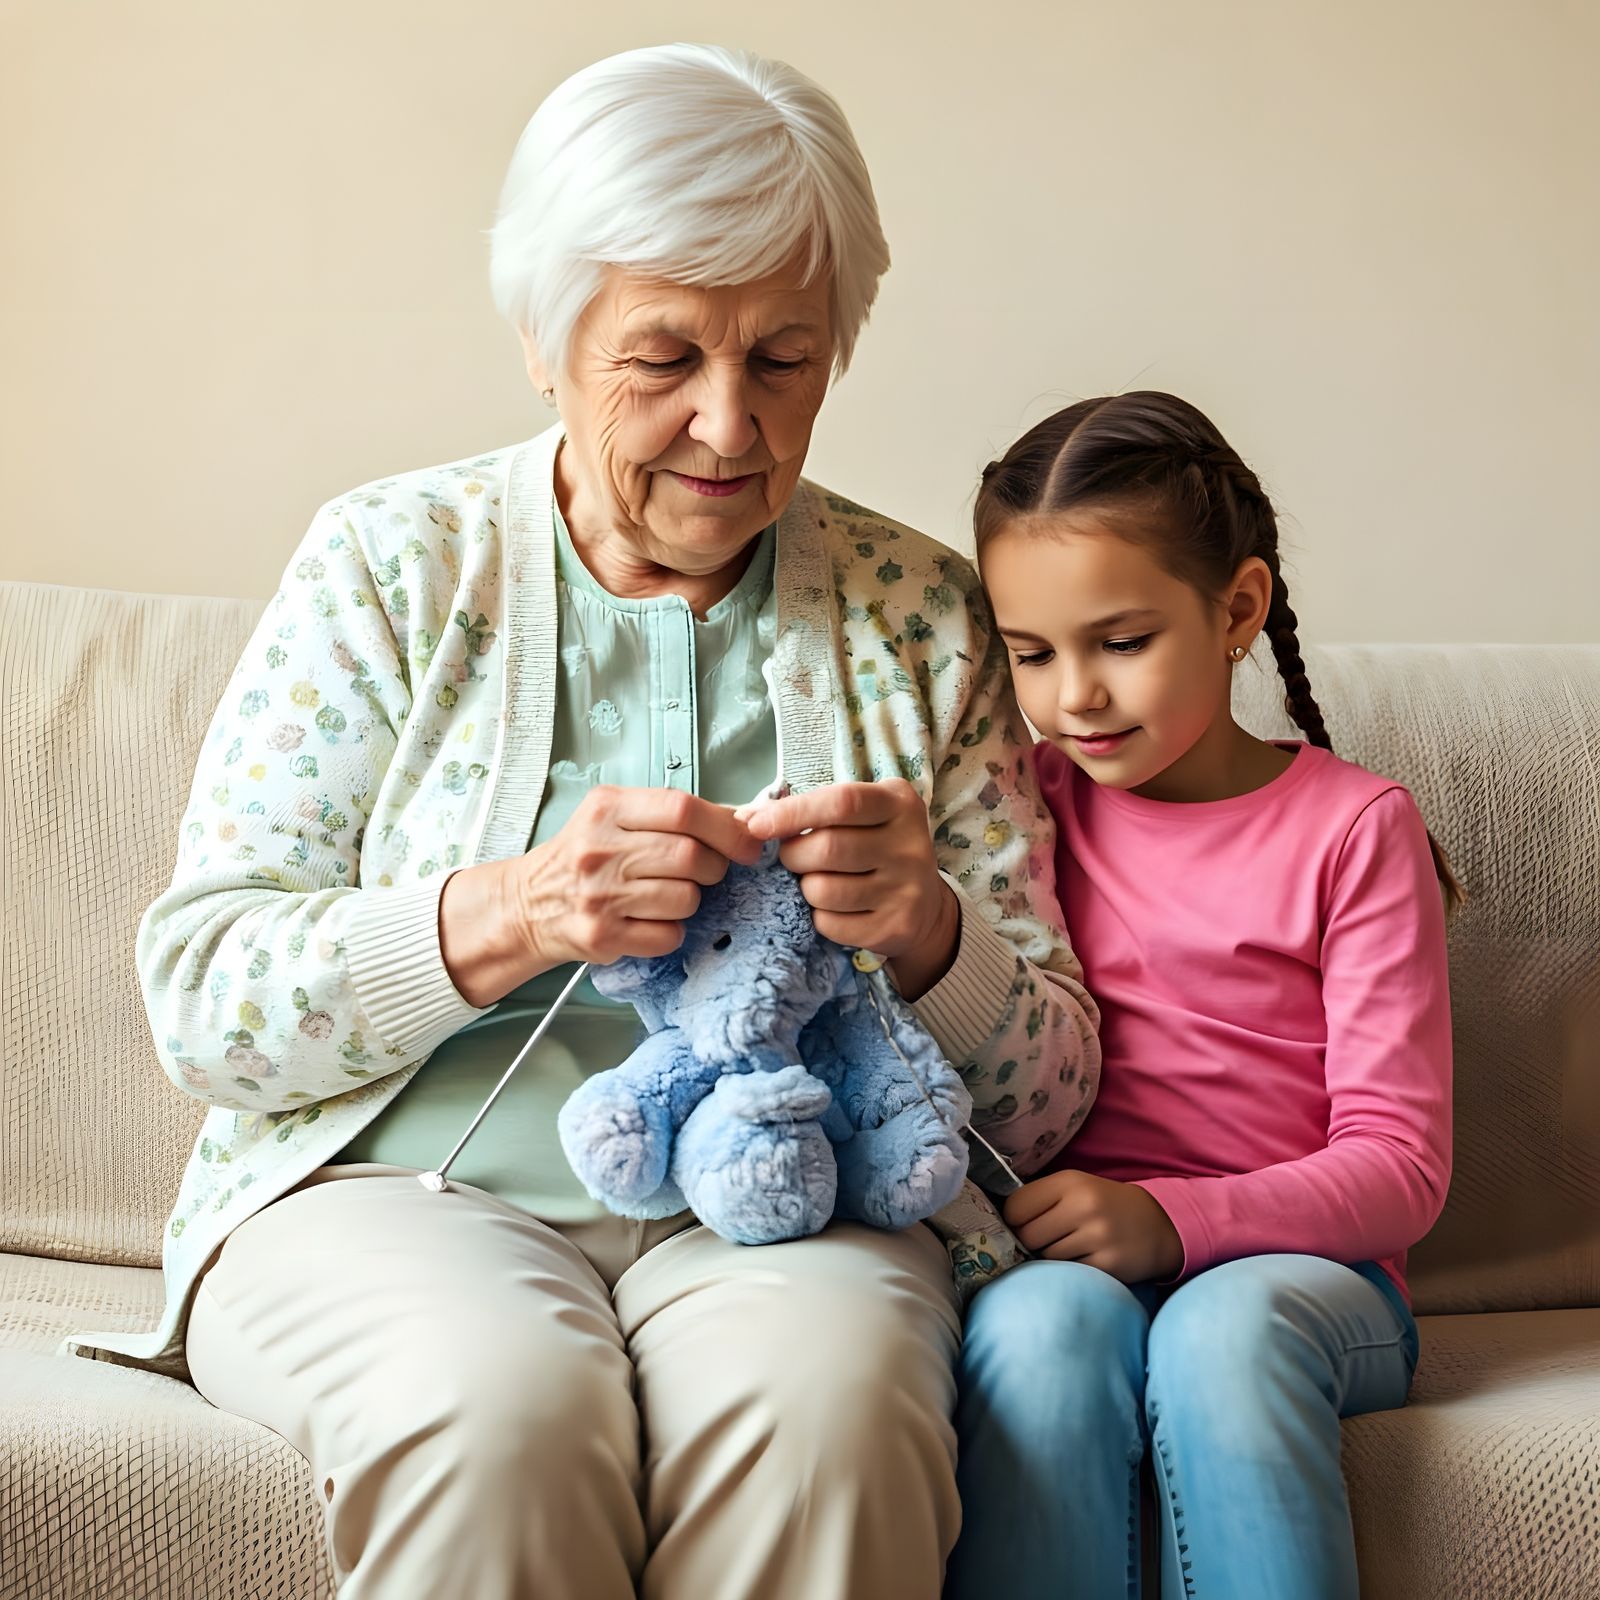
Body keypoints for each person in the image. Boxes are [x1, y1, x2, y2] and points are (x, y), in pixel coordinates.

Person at [56, 44, 1100, 1600]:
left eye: (786, 359)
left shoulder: (923, 615)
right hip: (391, 1202)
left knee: (836, 1413)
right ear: (546, 342)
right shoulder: (390, 565)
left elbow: (1052, 1103)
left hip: (784, 1203)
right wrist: (513, 913)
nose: (730, 426)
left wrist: (936, 933)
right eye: (664, 356)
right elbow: (208, 1003)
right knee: (500, 1415)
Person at [944, 390, 1457, 1600]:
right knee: (1032, 1333)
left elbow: (1399, 1168)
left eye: (1120, 642)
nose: (1073, 696)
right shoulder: (1026, 811)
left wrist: (1174, 1221)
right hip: (1074, 1269)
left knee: (1221, 1335)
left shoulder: (1355, 830)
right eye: (1031, 653)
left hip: (1308, 1279)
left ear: (1237, 608)